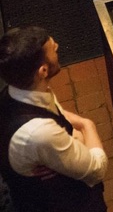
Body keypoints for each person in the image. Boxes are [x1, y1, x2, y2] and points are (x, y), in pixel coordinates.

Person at [0, 26, 107, 212]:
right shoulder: (40, 133)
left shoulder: (17, 92)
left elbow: (56, 114)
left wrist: (72, 139)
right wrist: (87, 125)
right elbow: (96, 169)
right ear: (42, 71)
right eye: (53, 49)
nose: (57, 46)